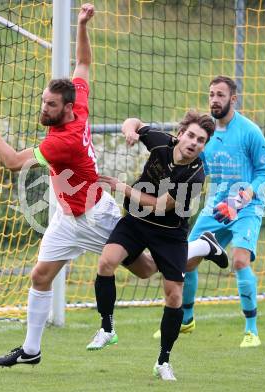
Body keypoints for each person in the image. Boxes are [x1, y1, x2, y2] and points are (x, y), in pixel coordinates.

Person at [0, 3, 156, 368]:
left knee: (149, 270)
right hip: (66, 216)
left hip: (95, 216)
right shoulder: (78, 104)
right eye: (43, 101)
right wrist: (83, 25)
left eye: (50, 104)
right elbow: (84, 64)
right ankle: (31, 350)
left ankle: (201, 245)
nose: (43, 108)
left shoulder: (63, 141)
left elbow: (11, 163)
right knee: (40, 275)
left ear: (67, 108)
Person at [86, 111, 221, 381]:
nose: (194, 142)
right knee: (107, 262)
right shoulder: (160, 141)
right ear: (181, 134)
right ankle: (107, 329)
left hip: (170, 234)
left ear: (204, 146)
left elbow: (161, 205)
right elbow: (133, 121)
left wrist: (121, 187)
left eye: (201, 140)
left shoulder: (195, 175)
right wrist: (130, 132)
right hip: (136, 222)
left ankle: (163, 362)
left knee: (174, 297)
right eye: (191, 135)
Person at [156, 75, 265, 348]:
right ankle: (186, 320)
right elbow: (200, 170)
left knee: (240, 261)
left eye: (220, 95)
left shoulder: (249, 131)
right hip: (217, 206)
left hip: (246, 207)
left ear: (233, 99)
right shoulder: (205, 136)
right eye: (211, 94)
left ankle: (251, 331)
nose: (214, 99)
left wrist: (245, 195)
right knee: (185, 258)